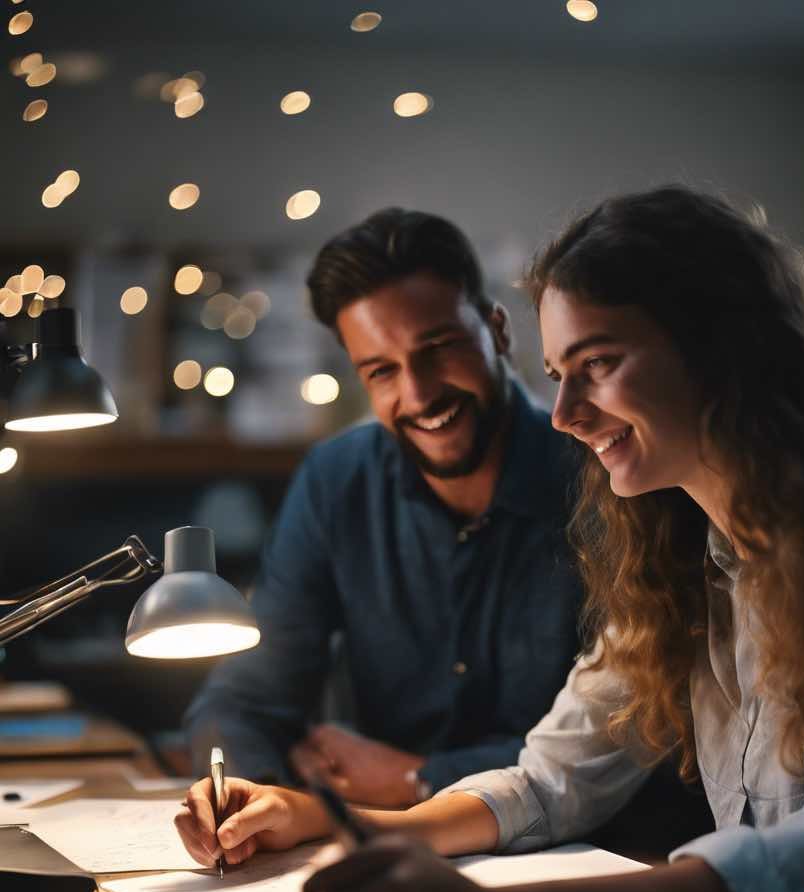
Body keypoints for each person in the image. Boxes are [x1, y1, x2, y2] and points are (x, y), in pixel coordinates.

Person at [176, 186, 804, 892]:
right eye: (559, 374)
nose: (565, 414)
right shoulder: (674, 537)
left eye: (599, 365)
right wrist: (334, 822)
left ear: (720, 347)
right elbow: (551, 781)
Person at [183, 208, 582, 807]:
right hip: (385, 858)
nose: (419, 394)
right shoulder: (335, 482)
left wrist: (421, 777)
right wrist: (250, 798)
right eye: (382, 371)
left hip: (588, 861)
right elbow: (244, 701)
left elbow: (633, 739)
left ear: (498, 331)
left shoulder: (601, 480)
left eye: (439, 348)